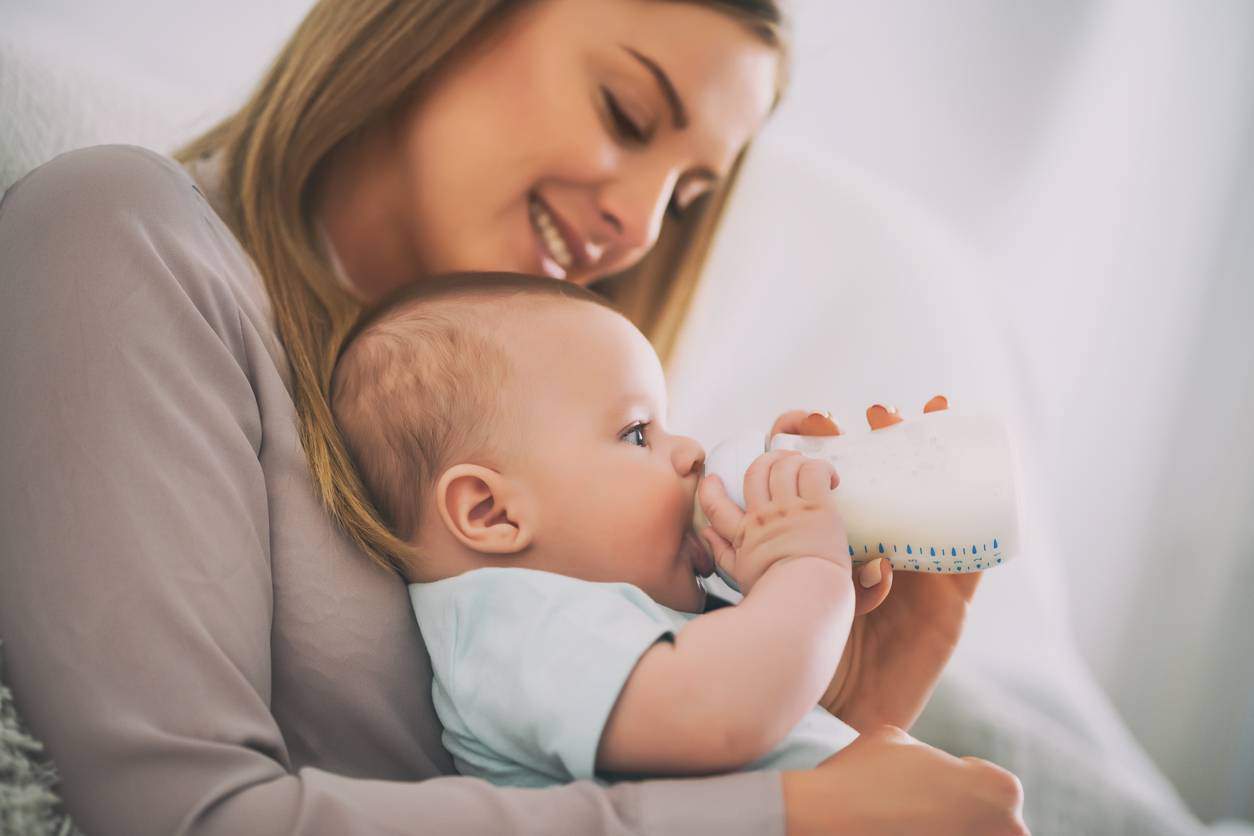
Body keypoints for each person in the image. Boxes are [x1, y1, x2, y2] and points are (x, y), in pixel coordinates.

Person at [0, 0, 1028, 833]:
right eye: (626, 112)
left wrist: (849, 697)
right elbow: (192, 815)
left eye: (686, 196)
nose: (638, 225)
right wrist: (783, 810)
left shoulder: (549, 432)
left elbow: (619, 752)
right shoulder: (122, 241)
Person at [330, 271, 887, 786]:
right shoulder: (508, 626)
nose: (691, 451)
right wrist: (810, 574)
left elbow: (764, 695)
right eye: (638, 434)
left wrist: (777, 556)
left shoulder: (592, 606)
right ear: (491, 514)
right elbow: (719, 716)